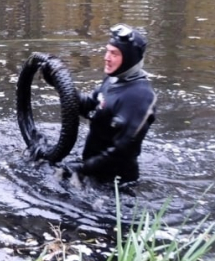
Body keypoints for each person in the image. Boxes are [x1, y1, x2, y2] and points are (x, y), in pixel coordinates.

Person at [62, 23, 157, 184]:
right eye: (107, 51)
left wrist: (83, 169)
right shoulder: (113, 80)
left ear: (128, 59)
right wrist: (62, 86)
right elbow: (90, 108)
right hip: (92, 169)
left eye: (114, 53)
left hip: (116, 185)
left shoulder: (140, 97)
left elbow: (123, 150)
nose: (106, 57)